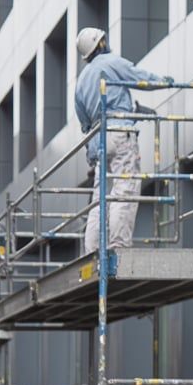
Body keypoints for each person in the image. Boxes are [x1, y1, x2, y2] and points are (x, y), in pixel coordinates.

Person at [73, 27, 173, 255]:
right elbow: (139, 78)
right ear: (99, 44)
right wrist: (163, 82)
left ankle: (92, 250)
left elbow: (86, 123)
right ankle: (119, 248)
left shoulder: (81, 82)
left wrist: (92, 155)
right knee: (125, 190)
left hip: (100, 141)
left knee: (101, 198)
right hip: (120, 133)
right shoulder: (109, 62)